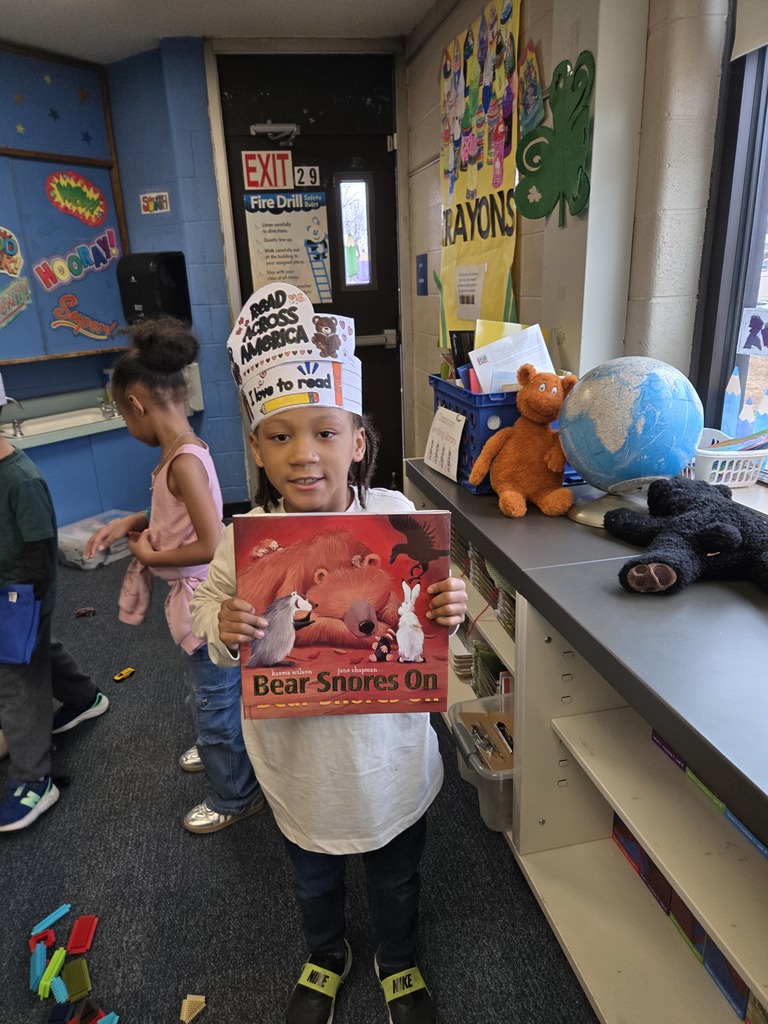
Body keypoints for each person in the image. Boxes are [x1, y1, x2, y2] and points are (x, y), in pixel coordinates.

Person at [190, 284, 467, 1024]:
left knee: (398, 875)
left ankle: (398, 959)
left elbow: (433, 619)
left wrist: (452, 606)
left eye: (324, 432)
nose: (304, 455)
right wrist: (225, 622)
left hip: (391, 759)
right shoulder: (241, 539)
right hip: (297, 764)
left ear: (358, 440)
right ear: (255, 446)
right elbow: (206, 631)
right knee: (312, 877)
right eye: (280, 436)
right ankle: (326, 952)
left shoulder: (399, 518)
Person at [85, 316, 262, 835]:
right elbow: (176, 516)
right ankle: (219, 746)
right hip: (193, 600)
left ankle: (235, 794)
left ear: (135, 404)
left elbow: (211, 542)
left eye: (122, 414)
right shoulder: (179, 452)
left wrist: (147, 552)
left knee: (213, 697)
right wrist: (135, 523)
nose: (126, 424)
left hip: (203, 600)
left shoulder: (183, 460)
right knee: (208, 691)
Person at [0, 434, 108, 833]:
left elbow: (39, 552)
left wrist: (22, 610)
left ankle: (33, 778)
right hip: (13, 598)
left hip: (20, 597)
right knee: (37, 649)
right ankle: (84, 697)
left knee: (17, 683)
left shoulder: (21, 480)